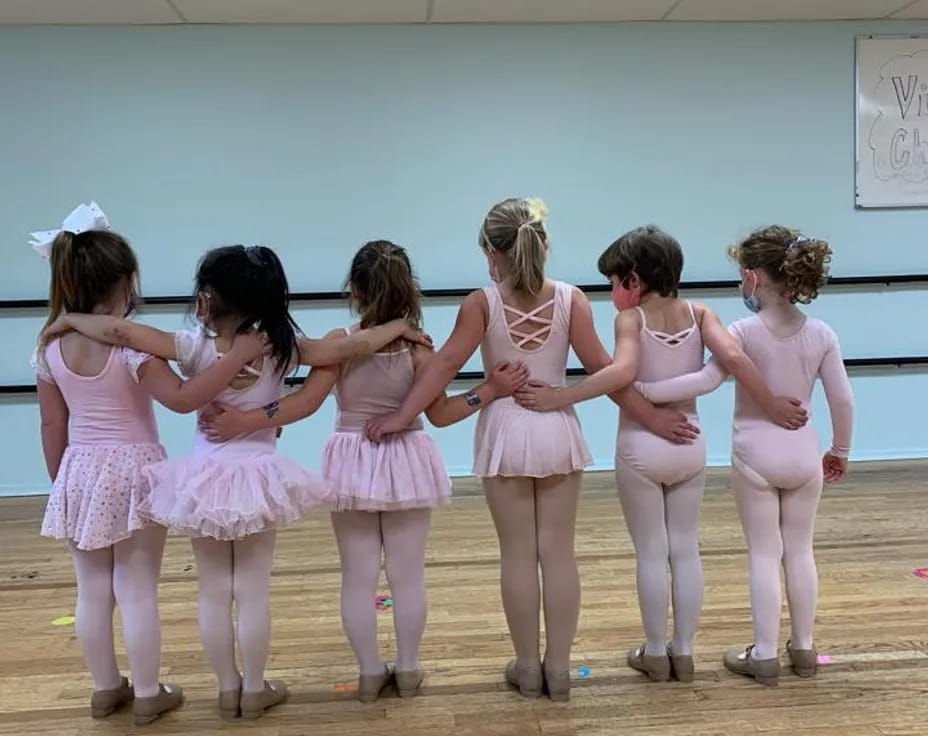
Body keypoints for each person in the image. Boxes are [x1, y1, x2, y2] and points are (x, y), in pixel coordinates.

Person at [43, 243, 431, 719]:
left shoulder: (192, 345)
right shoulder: (282, 347)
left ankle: (227, 690)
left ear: (208, 298)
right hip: (258, 478)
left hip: (204, 479)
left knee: (212, 590)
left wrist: (68, 320)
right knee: (251, 589)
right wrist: (397, 326)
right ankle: (253, 688)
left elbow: (120, 329)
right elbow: (347, 350)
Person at [203, 240, 528, 702]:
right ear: (408, 291)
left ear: (353, 289)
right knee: (407, 575)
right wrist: (489, 391)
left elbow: (305, 403)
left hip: (351, 457)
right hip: (407, 459)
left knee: (357, 576)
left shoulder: (339, 344)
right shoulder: (419, 350)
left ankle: (370, 673)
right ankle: (410, 670)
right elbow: (442, 414)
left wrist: (247, 421)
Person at [515, 225, 809, 683]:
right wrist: (770, 402)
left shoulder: (630, 320)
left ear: (634, 279)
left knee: (652, 553)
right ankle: (685, 652)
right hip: (689, 442)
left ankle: (655, 651)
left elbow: (623, 372)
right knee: (686, 549)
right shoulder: (700, 312)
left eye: (614, 282)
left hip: (641, 447)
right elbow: (733, 358)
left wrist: (561, 397)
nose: (612, 292)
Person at [33, 204, 264, 725]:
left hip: (79, 469)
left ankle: (103, 688)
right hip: (135, 469)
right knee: (135, 587)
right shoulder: (133, 347)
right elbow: (183, 399)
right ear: (126, 282)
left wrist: (60, 482)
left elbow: (52, 426)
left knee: (91, 587)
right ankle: (147, 694)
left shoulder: (48, 346)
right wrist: (234, 357)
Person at [635, 226, 853, 686]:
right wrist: (840, 450)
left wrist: (648, 390)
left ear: (754, 278)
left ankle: (766, 653)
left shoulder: (742, 331)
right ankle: (805, 647)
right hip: (803, 454)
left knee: (762, 553)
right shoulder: (822, 334)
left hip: (756, 456)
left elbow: (707, 379)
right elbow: (842, 400)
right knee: (799, 550)